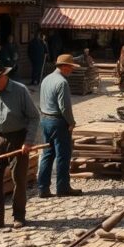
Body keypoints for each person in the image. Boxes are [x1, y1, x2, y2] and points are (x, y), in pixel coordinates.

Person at [0, 60, 39, 232]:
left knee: (18, 179)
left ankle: (19, 215)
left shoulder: (20, 90)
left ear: (5, 75)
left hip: (17, 138)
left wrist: (28, 141)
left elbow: (34, 117)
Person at [37, 54, 83, 198]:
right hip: (58, 121)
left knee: (47, 154)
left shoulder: (46, 79)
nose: (71, 70)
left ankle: (43, 188)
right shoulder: (62, 82)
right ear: (63, 67)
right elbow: (65, 107)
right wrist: (71, 122)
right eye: (70, 67)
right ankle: (62, 187)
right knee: (63, 155)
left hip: (45, 119)